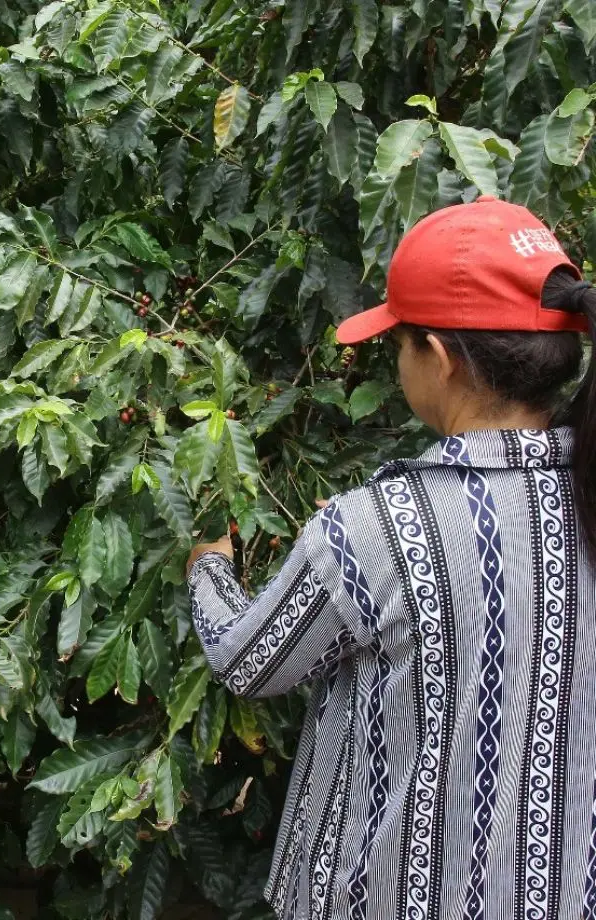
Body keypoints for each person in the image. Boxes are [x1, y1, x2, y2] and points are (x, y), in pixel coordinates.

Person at [187, 196, 596, 920]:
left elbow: (248, 661)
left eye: (399, 343)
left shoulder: (374, 528)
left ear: (436, 357)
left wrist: (209, 565)